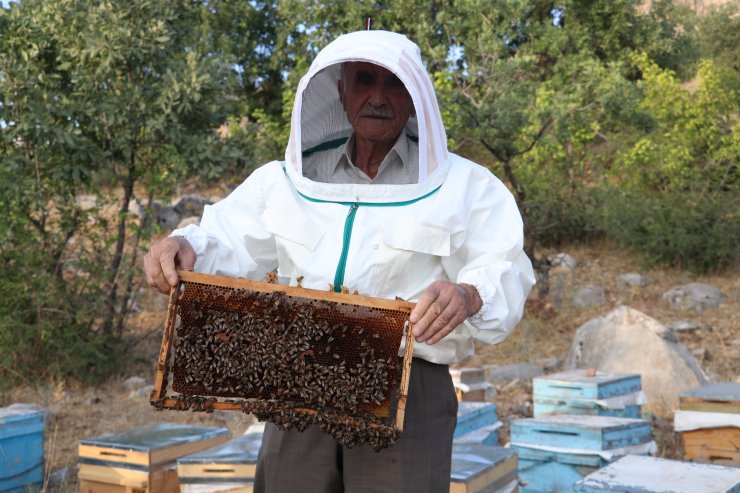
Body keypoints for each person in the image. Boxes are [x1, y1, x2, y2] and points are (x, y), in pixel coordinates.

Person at [144, 29, 535, 493]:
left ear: (415, 99)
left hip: (409, 388)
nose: (377, 96)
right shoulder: (285, 180)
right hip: (295, 382)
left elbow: (505, 267)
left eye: (393, 84)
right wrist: (180, 246)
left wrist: (469, 295)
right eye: (364, 80)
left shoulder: (468, 187)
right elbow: (220, 240)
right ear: (341, 91)